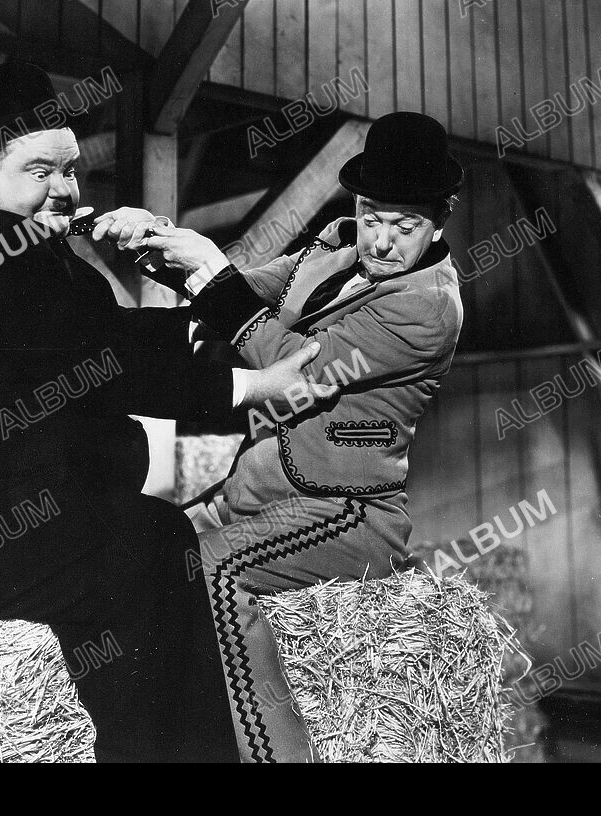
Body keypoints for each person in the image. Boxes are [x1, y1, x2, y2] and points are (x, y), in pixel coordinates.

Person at [0, 61, 333, 763]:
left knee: (148, 532)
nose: (64, 189)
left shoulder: (27, 251)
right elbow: (99, 361)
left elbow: (110, 336)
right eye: (39, 170)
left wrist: (173, 271)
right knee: (150, 550)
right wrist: (253, 388)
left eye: (71, 170)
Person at [136, 112, 465, 762]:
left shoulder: (427, 307)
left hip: (348, 511)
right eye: (372, 215)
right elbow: (260, 287)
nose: (382, 239)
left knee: (212, 570)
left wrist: (216, 288)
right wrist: (175, 259)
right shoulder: (338, 242)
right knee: (146, 549)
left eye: (405, 225)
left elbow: (297, 370)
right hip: (262, 484)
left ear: (440, 218)